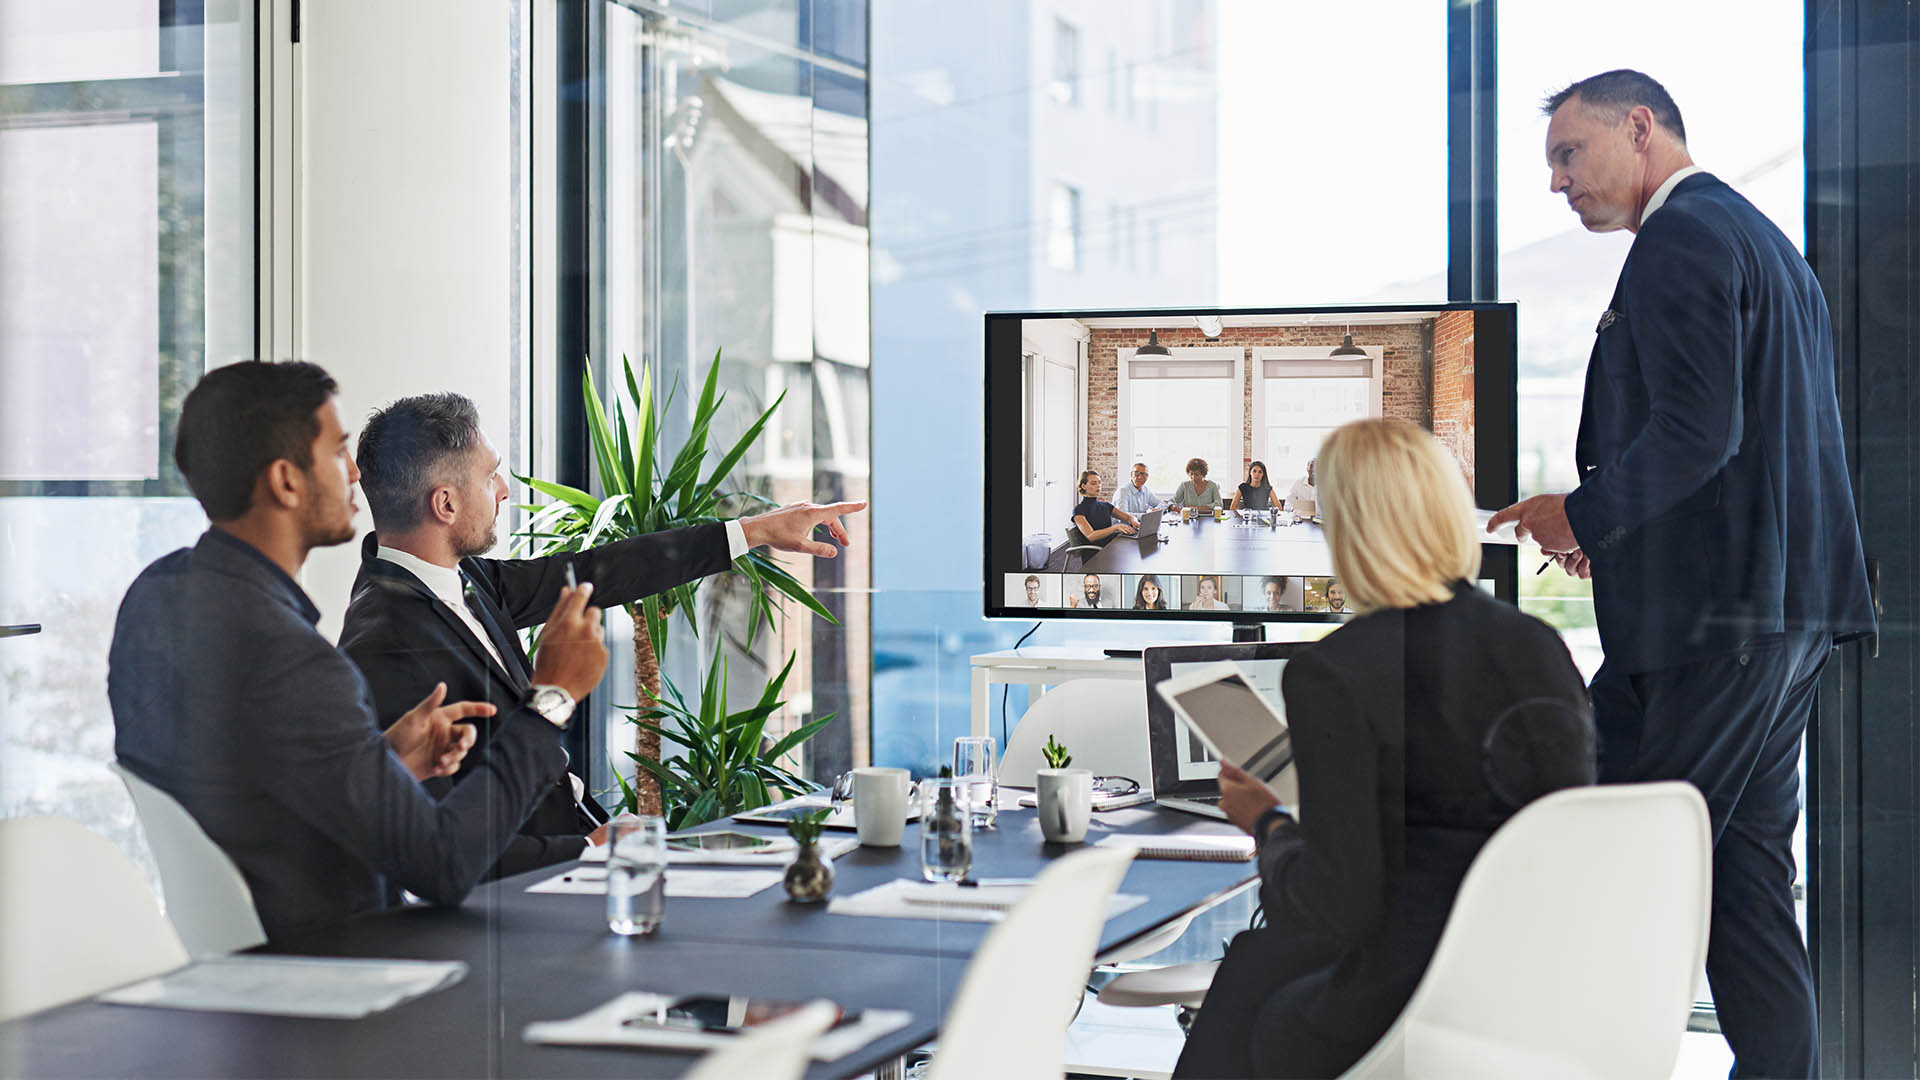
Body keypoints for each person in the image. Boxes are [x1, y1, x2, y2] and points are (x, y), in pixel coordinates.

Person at [1487, 70, 1873, 1079]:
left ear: (1642, 127)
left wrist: (1586, 512)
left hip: (1719, 626)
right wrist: (1602, 535)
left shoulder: (1683, 240)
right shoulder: (1759, 240)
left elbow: (1699, 432)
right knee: (1743, 884)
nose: (1558, 183)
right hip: (1778, 615)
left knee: (1619, 855)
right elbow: (1738, 448)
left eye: (1570, 154)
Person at [108, 361, 607, 943]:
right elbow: (441, 865)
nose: (353, 473)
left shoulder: (157, 597)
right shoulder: (290, 658)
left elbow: (247, 796)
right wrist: (552, 698)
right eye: (339, 451)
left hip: (244, 972)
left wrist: (381, 763)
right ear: (286, 481)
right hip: (345, 969)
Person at [1176, 419, 1593, 1078]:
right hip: (1538, 990)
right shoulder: (1537, 643)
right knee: (1258, 971)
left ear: (1350, 527)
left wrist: (1267, 822)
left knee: (1252, 979)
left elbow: (1337, 907)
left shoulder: (1335, 671)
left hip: (1410, 1004)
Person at [340, 393, 865, 878]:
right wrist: (591, 849)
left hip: (588, 838)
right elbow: (437, 847)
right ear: (446, 504)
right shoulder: (382, 643)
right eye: (490, 476)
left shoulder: (464, 578)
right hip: (536, 894)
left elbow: (602, 568)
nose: (503, 490)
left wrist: (757, 531)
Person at [1071, 470, 1138, 545]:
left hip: (1110, 545)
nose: (1098, 485)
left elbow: (1129, 517)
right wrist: (1115, 527)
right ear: (1083, 486)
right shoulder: (1078, 510)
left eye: (1099, 482)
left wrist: (1134, 520)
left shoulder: (1106, 506)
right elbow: (1091, 536)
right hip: (1096, 552)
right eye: (1093, 483)